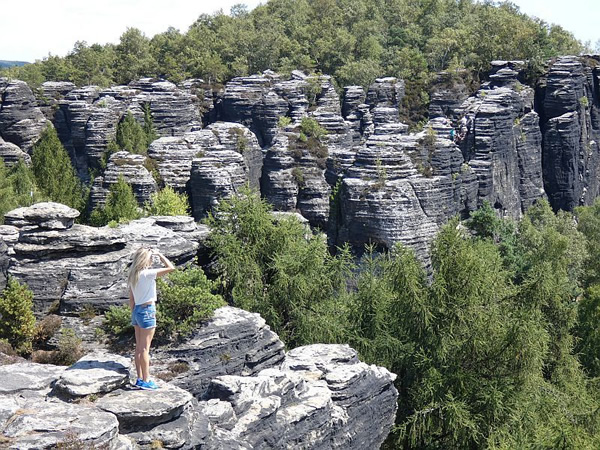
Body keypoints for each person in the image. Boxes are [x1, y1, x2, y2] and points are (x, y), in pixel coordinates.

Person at [127, 247, 175, 390]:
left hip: (136, 310)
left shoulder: (133, 274)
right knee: (145, 349)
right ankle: (147, 380)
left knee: (139, 347)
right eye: (150, 258)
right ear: (145, 259)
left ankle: (140, 378)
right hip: (147, 310)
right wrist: (160, 254)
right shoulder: (147, 274)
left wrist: (134, 313)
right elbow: (171, 267)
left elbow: (131, 298)